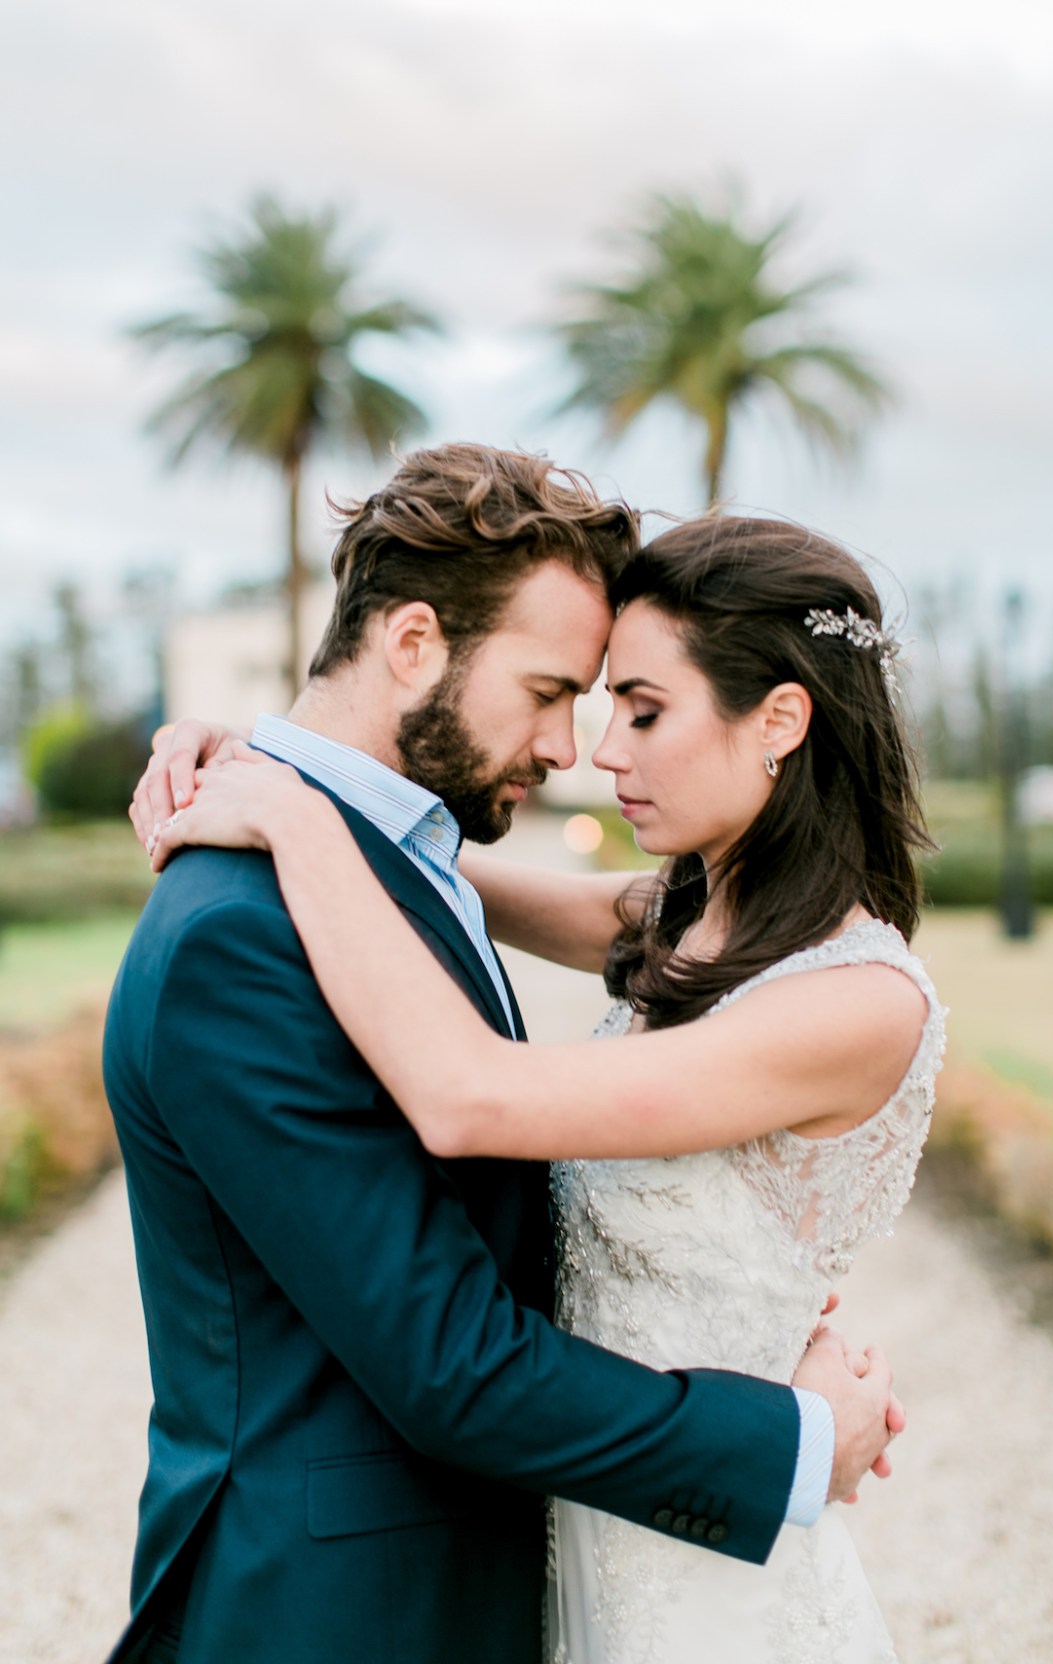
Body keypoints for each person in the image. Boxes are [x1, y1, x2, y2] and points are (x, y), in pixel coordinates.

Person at [111, 445, 901, 1664]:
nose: (577, 745)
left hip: (545, 1573)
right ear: (415, 642)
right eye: (555, 691)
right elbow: (447, 1357)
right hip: (339, 1616)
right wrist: (787, 1439)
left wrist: (287, 790)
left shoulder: (390, 866)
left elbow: (506, 999)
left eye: (632, 706)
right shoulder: (241, 935)